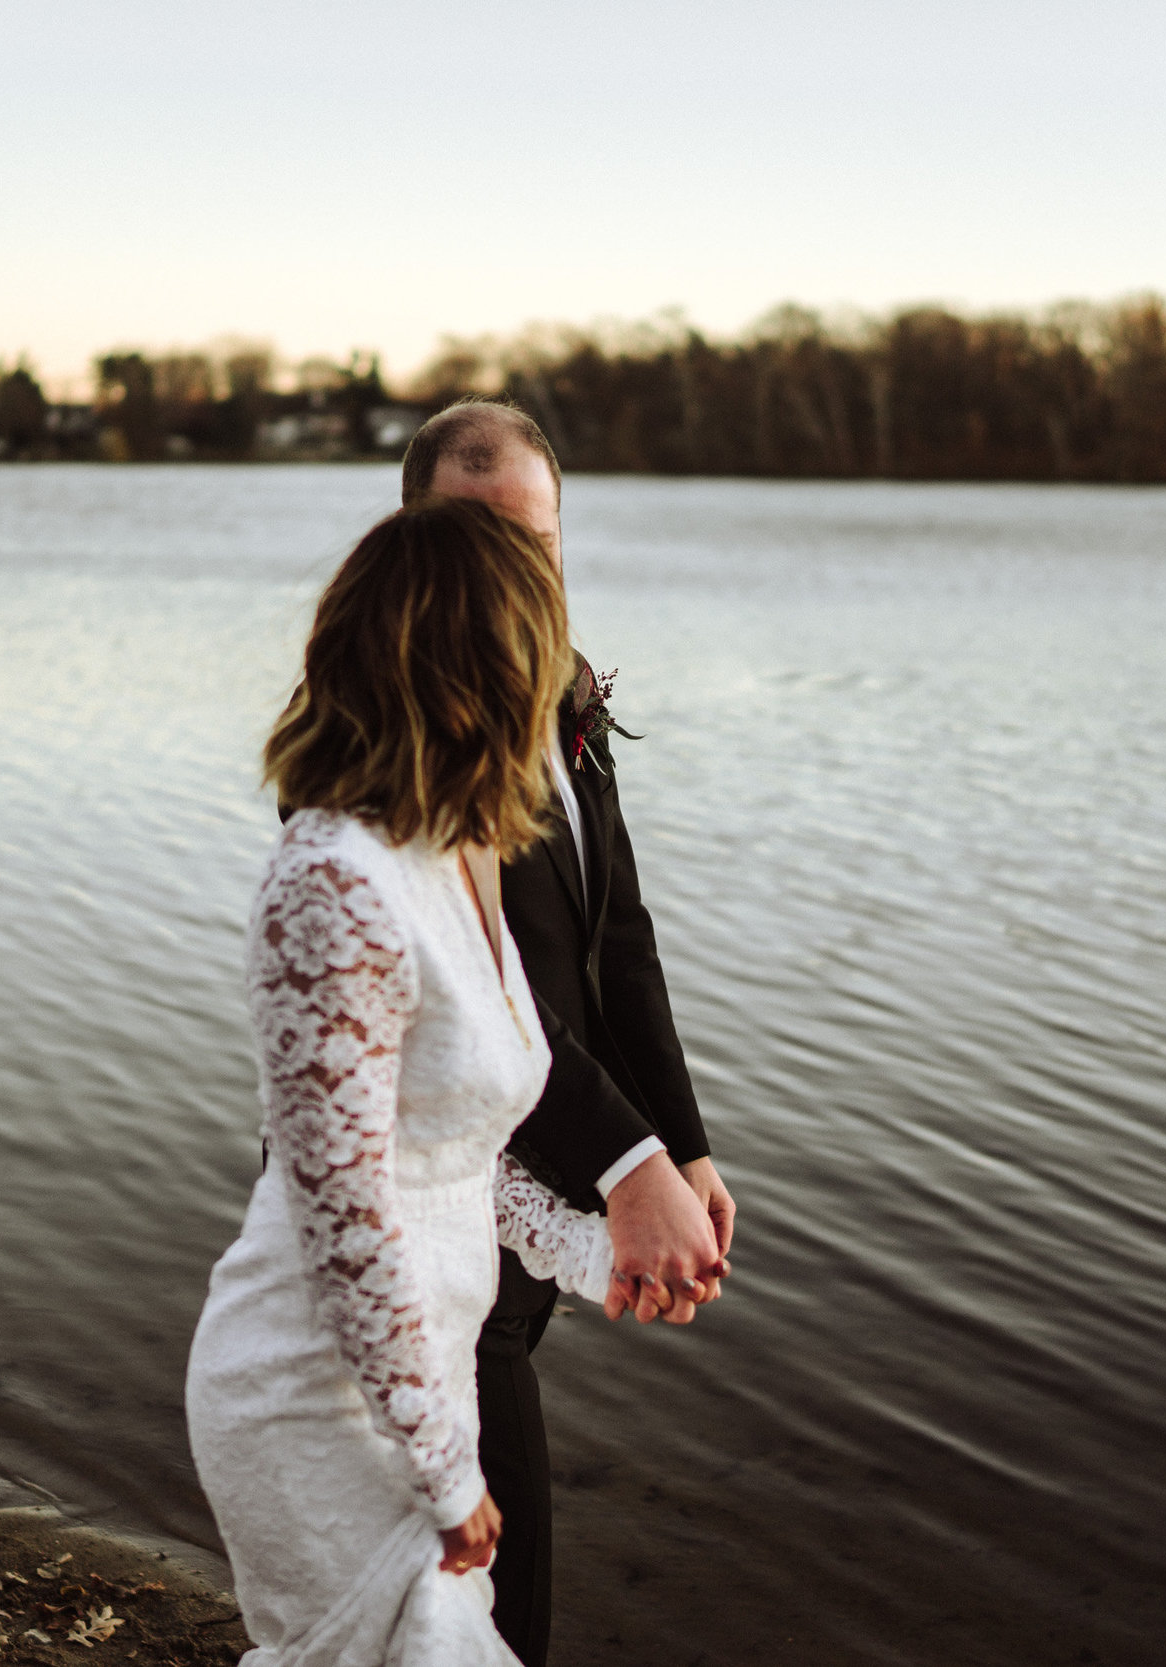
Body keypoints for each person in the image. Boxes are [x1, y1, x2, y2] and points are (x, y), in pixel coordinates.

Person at [187, 497, 625, 1665]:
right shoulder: (331, 883)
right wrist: (441, 1467)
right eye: (537, 656)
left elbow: (452, 1147)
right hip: (314, 1395)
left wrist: (589, 1251)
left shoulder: (457, 857)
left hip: (417, 1374)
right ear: (475, 671)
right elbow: (344, 1210)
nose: (558, 689)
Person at [398, 401, 736, 1665]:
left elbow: (619, 942)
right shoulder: (381, 729)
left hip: (532, 1215)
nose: (506, 575)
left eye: (530, 544)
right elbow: (471, 1000)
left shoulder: (569, 698)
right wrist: (625, 1163)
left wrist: (682, 1144)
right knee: (496, 1611)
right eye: (470, 539)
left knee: (434, 1603)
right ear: (407, 541)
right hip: (418, 1234)